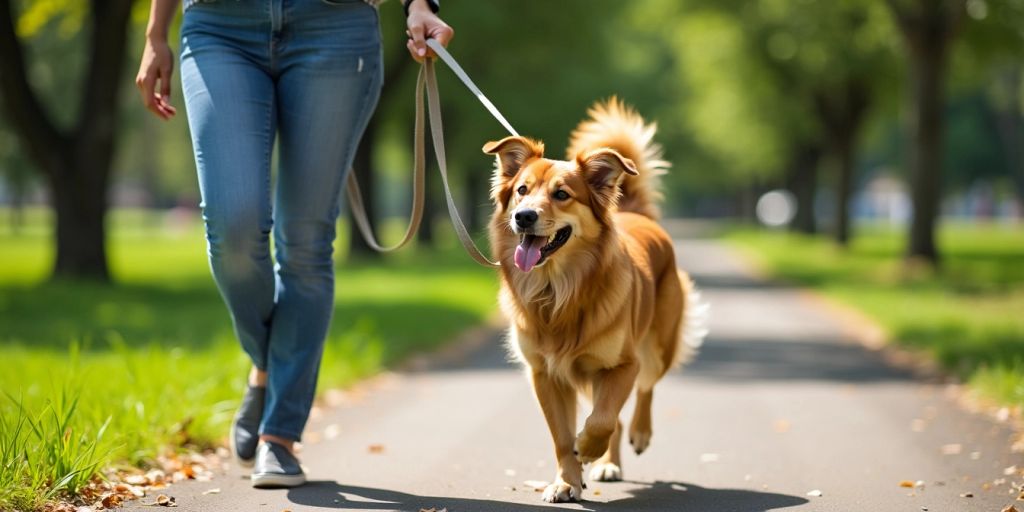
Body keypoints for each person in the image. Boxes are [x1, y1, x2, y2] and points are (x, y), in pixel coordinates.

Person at [135, 0, 453, 488]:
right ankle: (268, 363)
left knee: (305, 242)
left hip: (337, 27)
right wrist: (156, 32)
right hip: (221, 25)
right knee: (232, 225)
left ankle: (278, 437)